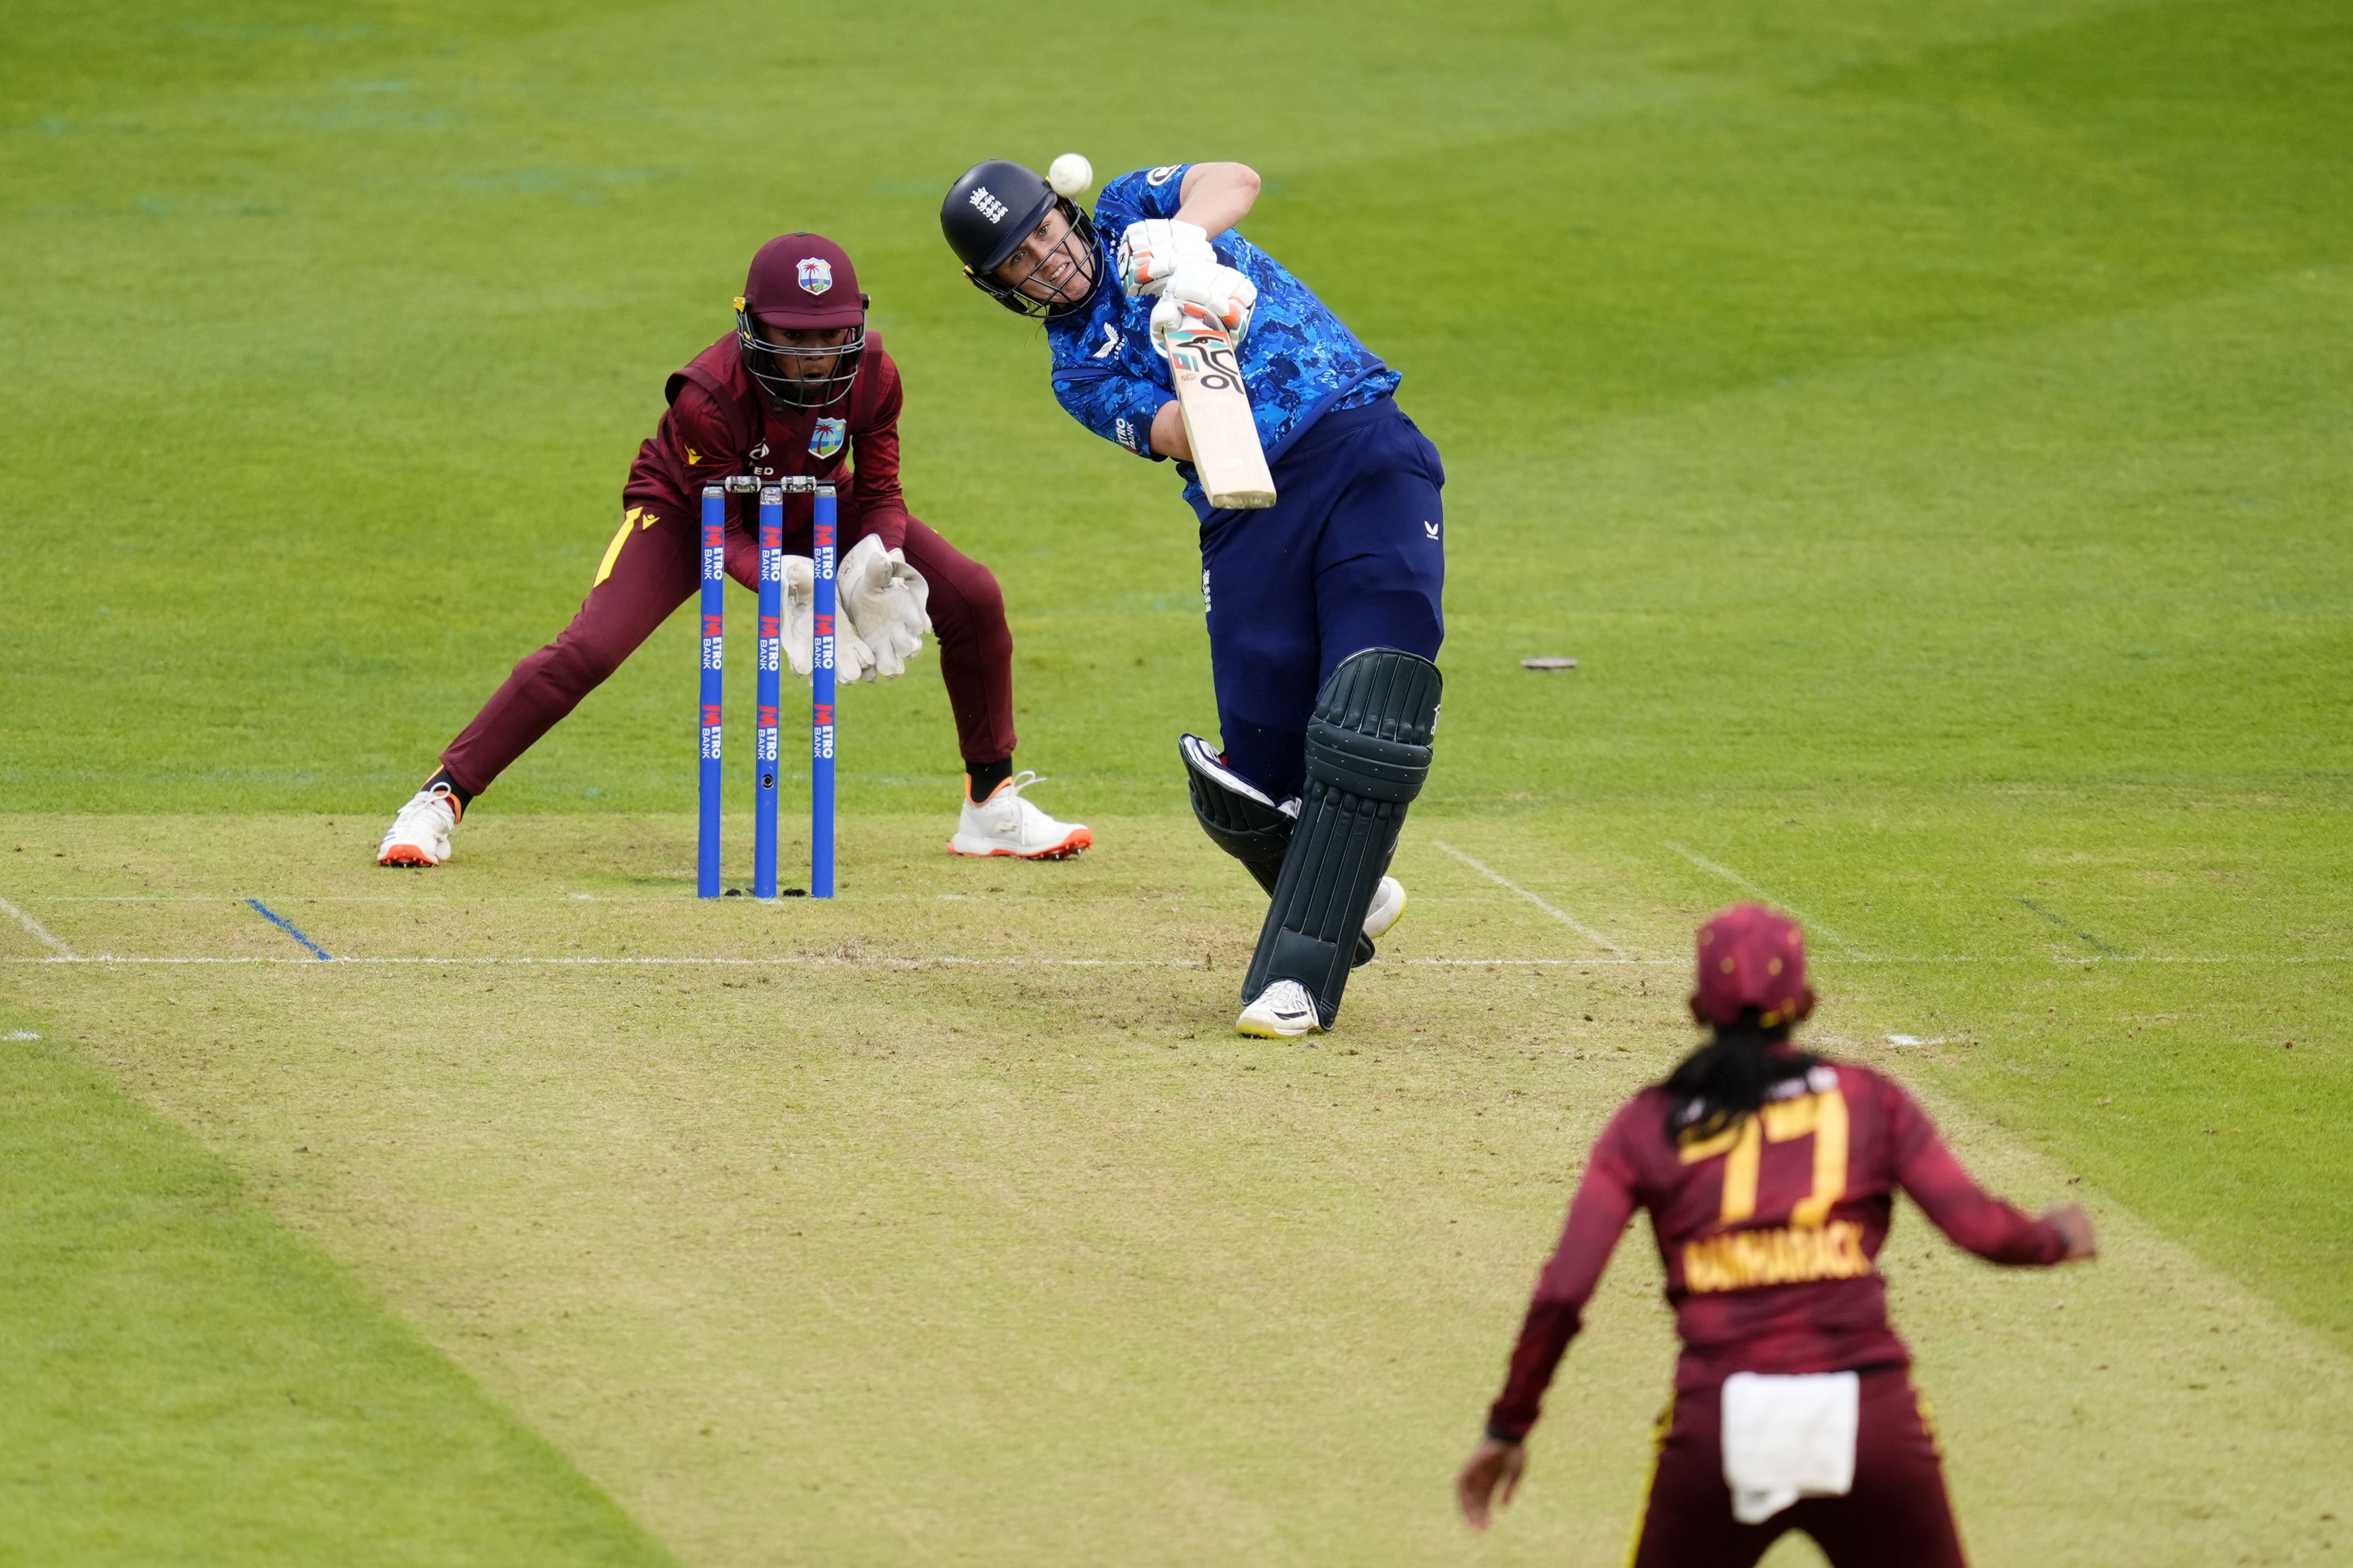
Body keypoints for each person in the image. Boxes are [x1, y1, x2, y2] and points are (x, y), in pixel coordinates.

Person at [375, 232, 1089, 871]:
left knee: (972, 596)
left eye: (830, 336)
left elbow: (881, 491)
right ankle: (442, 797)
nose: (815, 357)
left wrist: (879, 560)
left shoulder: (874, 374)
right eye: (794, 338)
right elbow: (730, 534)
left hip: (814, 496)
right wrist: (791, 586)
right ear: (751, 326)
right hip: (690, 510)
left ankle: (990, 807)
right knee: (590, 650)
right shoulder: (706, 397)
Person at [940, 157, 1441, 1038]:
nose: (1046, 261)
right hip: (1243, 502)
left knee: (1372, 701)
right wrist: (1191, 342)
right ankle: (1349, 889)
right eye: (1019, 261)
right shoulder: (1077, 375)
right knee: (1250, 787)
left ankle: (1295, 981)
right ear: (1000, 287)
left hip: (1356, 441)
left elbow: (1233, 179)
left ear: (1067, 213)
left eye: (1046, 234)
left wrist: (1185, 241)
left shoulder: (1135, 205)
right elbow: (1182, 432)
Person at [1455, 903, 2098, 1565]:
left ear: (1695, 1009)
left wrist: (1509, 1425)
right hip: (1870, 1419)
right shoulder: (1868, 1100)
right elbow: (1977, 1228)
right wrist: (2053, 1236)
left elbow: (1563, 1292)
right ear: (1809, 1002)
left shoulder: (1646, 1125)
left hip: (1717, 1424)